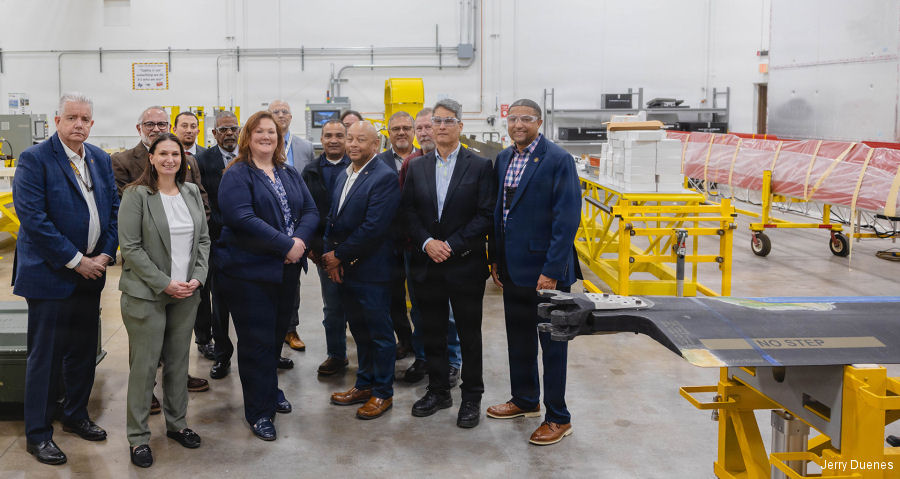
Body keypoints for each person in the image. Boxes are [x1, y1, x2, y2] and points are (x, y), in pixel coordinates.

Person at [13, 93, 119, 465]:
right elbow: (33, 219)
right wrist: (76, 261)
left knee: (82, 352)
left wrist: (104, 254)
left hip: (91, 275)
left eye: (85, 118)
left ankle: (75, 415)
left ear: (92, 123)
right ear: (57, 120)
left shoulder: (101, 160)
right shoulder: (35, 159)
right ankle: (38, 434)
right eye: (72, 117)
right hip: (51, 275)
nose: (79, 124)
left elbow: (114, 210)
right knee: (46, 357)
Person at [215, 110, 318, 440]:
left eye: (271, 132)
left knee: (274, 340)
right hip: (249, 274)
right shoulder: (237, 174)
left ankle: (269, 391)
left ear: (279, 137)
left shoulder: (287, 172)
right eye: (258, 131)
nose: (265, 136)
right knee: (256, 344)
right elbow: (241, 217)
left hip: (285, 272)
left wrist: (299, 242)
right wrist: (286, 244)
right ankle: (258, 412)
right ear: (248, 136)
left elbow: (311, 210)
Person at [487, 98, 582, 446]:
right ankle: (525, 399)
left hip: (547, 272)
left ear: (539, 122)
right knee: (520, 340)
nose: (518, 125)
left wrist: (553, 270)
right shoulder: (503, 158)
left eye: (526, 119)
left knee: (553, 345)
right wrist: (495, 259)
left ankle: (558, 416)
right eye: (513, 119)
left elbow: (567, 218)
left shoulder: (558, 160)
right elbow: (501, 213)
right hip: (513, 269)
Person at [118, 133, 210, 468]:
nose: (170, 159)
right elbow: (130, 248)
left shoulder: (190, 192)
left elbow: (203, 238)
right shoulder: (136, 195)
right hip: (147, 295)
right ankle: (138, 437)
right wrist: (165, 283)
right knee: (144, 368)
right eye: (163, 154)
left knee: (177, 363)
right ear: (152, 158)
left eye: (176, 153)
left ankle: (177, 424)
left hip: (187, 292)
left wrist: (197, 277)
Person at [401, 99, 494, 428]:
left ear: (460, 127)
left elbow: (485, 215)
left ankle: (472, 398)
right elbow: (408, 212)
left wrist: (450, 245)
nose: (441, 126)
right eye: (436, 121)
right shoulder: (417, 166)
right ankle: (439, 390)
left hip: (464, 265)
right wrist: (427, 243)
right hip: (428, 264)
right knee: (433, 332)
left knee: (469, 335)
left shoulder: (480, 166)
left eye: (448, 121)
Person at [324, 121, 400, 420]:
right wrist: (333, 257)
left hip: (372, 271)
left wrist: (339, 256)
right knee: (360, 330)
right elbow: (333, 218)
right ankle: (364, 384)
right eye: (350, 138)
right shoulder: (346, 173)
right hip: (348, 269)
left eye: (360, 140)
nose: (353, 144)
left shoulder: (384, 177)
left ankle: (383, 392)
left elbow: (373, 228)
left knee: (380, 334)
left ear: (376, 145)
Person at [398, 107, 463, 385]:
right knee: (419, 309)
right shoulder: (410, 164)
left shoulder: (463, 162)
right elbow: (406, 209)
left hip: (451, 252)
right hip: (418, 251)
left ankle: (452, 360)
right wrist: (422, 243)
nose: (427, 132)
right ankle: (423, 357)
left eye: (430, 126)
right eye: (422, 128)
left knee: (448, 311)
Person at [300, 119, 352, 375]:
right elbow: (303, 210)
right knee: (332, 306)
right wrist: (312, 246)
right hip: (323, 250)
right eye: (328, 135)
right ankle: (336, 355)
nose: (333, 140)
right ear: (321, 140)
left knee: (360, 306)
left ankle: (366, 357)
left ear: (346, 139)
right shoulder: (310, 171)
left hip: (356, 251)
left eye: (339, 135)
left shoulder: (358, 168)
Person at [195, 111, 240, 380]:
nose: (229, 133)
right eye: (223, 130)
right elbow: (204, 201)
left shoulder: (250, 157)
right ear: (213, 134)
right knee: (219, 305)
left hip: (250, 243)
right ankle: (222, 356)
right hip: (218, 242)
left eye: (233, 128)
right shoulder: (202, 161)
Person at [268, 99, 315, 352]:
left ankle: (290, 329)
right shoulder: (262, 145)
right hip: (269, 226)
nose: (281, 115)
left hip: (296, 226)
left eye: (285, 111)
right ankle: (271, 332)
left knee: (292, 282)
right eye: (276, 112)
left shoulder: (305, 147)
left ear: (291, 116)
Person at [374, 112, 415, 359]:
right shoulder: (378, 162)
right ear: (388, 133)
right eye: (396, 128)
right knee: (394, 298)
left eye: (406, 128)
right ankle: (405, 340)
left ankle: (423, 348)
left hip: (420, 242)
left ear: (413, 131)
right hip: (389, 243)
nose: (401, 132)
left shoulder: (428, 158)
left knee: (422, 300)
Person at [174, 110, 214, 361]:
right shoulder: (167, 154)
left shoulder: (204, 157)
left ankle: (204, 338)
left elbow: (204, 194)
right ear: (175, 128)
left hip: (201, 233)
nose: (189, 130)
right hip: (175, 235)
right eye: (184, 126)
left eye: (193, 126)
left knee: (201, 288)